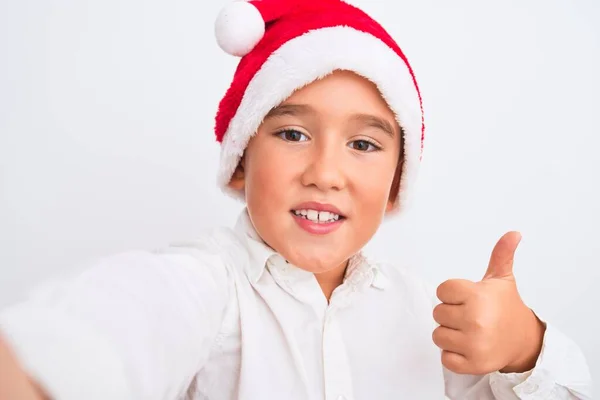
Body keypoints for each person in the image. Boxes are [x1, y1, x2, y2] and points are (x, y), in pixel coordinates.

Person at [0, 0, 592, 399]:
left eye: (363, 143)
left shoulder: (425, 317)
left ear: (394, 187)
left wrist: (523, 349)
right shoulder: (205, 287)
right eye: (292, 134)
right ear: (240, 164)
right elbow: (111, 329)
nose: (326, 172)